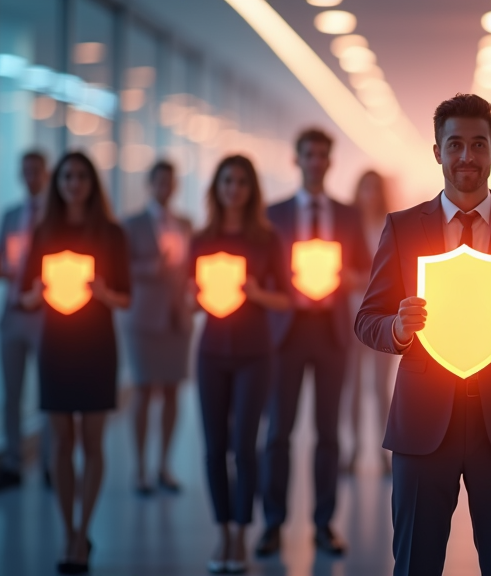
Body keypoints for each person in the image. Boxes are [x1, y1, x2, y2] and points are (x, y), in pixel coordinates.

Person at [355, 93, 491, 576]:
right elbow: (367, 319)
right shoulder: (403, 228)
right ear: (438, 151)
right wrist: (395, 328)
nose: (467, 156)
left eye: (478, 144)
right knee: (415, 563)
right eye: (455, 144)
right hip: (422, 423)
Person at [257, 128, 371, 558]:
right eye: (309, 154)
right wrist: (286, 284)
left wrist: (348, 280)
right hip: (286, 332)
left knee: (328, 433)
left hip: (331, 331)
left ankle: (324, 524)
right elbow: (263, 273)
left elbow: (367, 269)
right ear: (297, 159)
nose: (316, 162)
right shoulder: (274, 214)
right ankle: (273, 523)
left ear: (330, 161)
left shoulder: (348, 215)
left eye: (323, 155)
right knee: (278, 433)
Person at [19, 151, 132, 574]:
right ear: (58, 183)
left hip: (97, 345)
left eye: (82, 176)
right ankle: (68, 531)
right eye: (67, 176)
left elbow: (126, 297)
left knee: (92, 441)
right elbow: (26, 296)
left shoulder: (111, 234)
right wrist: (36, 295)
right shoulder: (43, 231)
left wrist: (102, 293)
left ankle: (85, 528)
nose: (74, 183)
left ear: (92, 183)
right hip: (57, 345)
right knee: (61, 440)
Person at [190, 155, 291, 574]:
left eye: (242, 182)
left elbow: (286, 299)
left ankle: (243, 534)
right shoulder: (201, 239)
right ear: (217, 188)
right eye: (227, 181)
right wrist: (194, 296)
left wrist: (255, 293)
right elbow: (189, 298)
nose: (234, 189)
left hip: (254, 353)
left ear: (252, 190)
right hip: (211, 352)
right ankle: (223, 532)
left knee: (246, 447)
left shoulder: (267, 239)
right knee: (215, 448)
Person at [122, 160, 194, 495]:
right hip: (145, 318)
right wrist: (152, 267)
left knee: (172, 391)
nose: (165, 187)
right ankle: (139, 468)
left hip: (177, 317)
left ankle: (164, 464)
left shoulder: (185, 224)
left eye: (170, 181)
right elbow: (121, 267)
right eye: (159, 181)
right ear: (149, 184)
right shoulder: (132, 224)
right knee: (143, 389)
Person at [0, 150, 50, 491]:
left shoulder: (55, 217)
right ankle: (13, 461)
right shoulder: (10, 216)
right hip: (12, 313)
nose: (31, 177)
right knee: (11, 394)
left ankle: (51, 462)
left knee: (49, 393)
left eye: (37, 170)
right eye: (26, 170)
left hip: (45, 315)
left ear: (47, 173)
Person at [342, 169, 396, 476]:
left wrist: (365, 279)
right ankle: (353, 449)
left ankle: (383, 452)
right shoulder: (348, 227)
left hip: (382, 316)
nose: (370, 195)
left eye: (375, 188)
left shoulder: (390, 226)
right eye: (365, 188)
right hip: (351, 313)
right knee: (352, 385)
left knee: (380, 387)